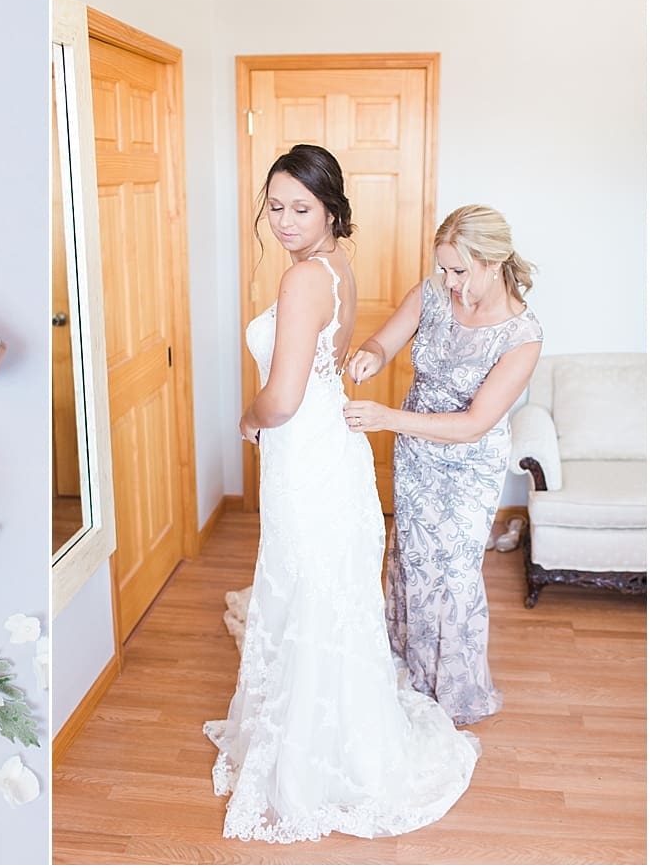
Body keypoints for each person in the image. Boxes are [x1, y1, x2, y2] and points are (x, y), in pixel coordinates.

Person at [204, 144, 478, 844]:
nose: (286, 221)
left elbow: (285, 395)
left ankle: (315, 763)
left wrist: (247, 418)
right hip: (329, 453)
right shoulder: (334, 267)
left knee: (312, 587)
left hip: (308, 457)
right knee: (325, 591)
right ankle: (333, 739)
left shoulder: (303, 282)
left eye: (301, 208)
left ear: (330, 209)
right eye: (275, 207)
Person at [344, 204, 543, 726]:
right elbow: (385, 339)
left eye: (460, 270)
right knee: (412, 562)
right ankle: (408, 671)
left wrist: (387, 417)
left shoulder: (522, 336)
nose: (449, 282)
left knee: (453, 577)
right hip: (416, 459)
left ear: (493, 261)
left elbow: (476, 423)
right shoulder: (433, 292)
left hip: (468, 467)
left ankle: (455, 693)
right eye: (444, 268)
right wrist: (370, 355)